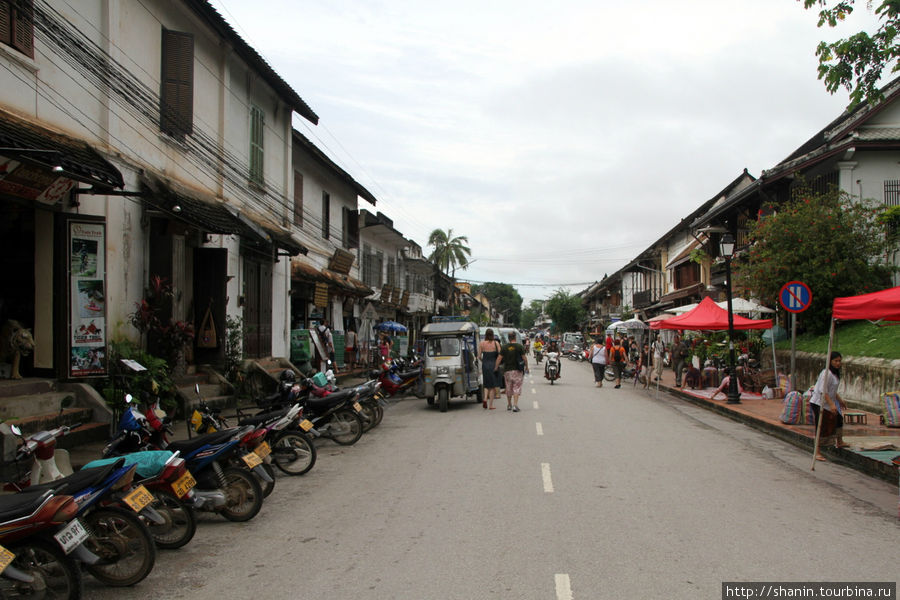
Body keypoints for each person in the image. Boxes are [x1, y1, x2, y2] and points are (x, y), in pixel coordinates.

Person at [810, 351, 848, 461]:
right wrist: (832, 405)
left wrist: (840, 401)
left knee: (839, 419)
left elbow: (832, 390)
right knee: (820, 427)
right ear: (830, 361)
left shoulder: (834, 374)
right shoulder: (826, 374)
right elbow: (823, 391)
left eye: (839, 361)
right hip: (819, 403)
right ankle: (817, 452)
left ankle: (839, 441)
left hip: (828, 402)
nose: (838, 363)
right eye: (835, 361)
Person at [497, 331, 529, 412]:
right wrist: (527, 367)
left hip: (507, 371)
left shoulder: (504, 347)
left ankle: (509, 405)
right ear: (515, 337)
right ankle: (515, 405)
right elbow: (524, 358)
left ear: (508, 338)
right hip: (517, 370)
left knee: (508, 387)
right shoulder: (519, 346)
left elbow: (499, 358)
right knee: (516, 387)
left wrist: (495, 367)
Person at [478, 328, 502, 410]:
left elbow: (478, 356)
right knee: (492, 385)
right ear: (492, 335)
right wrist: (497, 364)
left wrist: (484, 361)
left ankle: (485, 398)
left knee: (486, 383)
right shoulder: (496, 343)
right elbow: (500, 355)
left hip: (485, 365)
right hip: (493, 364)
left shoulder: (482, 343)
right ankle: (490, 405)